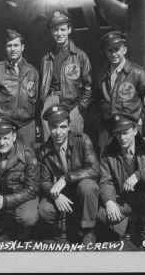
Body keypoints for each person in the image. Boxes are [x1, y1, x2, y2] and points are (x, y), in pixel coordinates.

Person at [98, 114, 145, 246]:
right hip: (125, 199)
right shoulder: (108, 152)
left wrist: (140, 174)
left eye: (126, 133)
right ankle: (133, 220)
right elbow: (106, 181)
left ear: (134, 130)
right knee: (101, 214)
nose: (122, 138)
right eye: (118, 134)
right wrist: (109, 202)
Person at [37, 104, 99, 244]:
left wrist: (66, 178)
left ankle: (89, 231)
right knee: (44, 210)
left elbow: (94, 169)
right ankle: (63, 227)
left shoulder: (82, 140)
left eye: (62, 127)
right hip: (63, 193)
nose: (58, 132)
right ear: (49, 127)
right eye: (54, 127)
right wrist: (56, 195)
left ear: (69, 126)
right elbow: (44, 181)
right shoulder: (43, 151)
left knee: (88, 186)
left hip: (82, 190)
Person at [97, 30, 145, 154]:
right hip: (109, 127)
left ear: (124, 50)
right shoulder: (101, 73)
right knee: (107, 159)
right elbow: (98, 97)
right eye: (109, 50)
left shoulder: (137, 73)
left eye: (117, 49)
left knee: (131, 159)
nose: (113, 54)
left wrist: (142, 118)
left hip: (129, 128)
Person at [39, 11, 93, 141]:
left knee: (76, 141)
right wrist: (45, 104)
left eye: (63, 29)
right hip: (52, 100)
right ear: (52, 32)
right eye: (55, 30)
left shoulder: (80, 56)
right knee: (51, 141)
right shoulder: (46, 58)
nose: (59, 33)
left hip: (73, 103)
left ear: (69, 30)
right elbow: (42, 84)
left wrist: (80, 108)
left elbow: (88, 86)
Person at [0, 29, 39, 149]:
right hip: (5, 125)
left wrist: (37, 123)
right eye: (9, 46)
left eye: (16, 45)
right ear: (5, 48)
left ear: (22, 47)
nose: (13, 49)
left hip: (27, 125)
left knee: (28, 160)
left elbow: (37, 101)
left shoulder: (32, 71)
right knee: (6, 161)